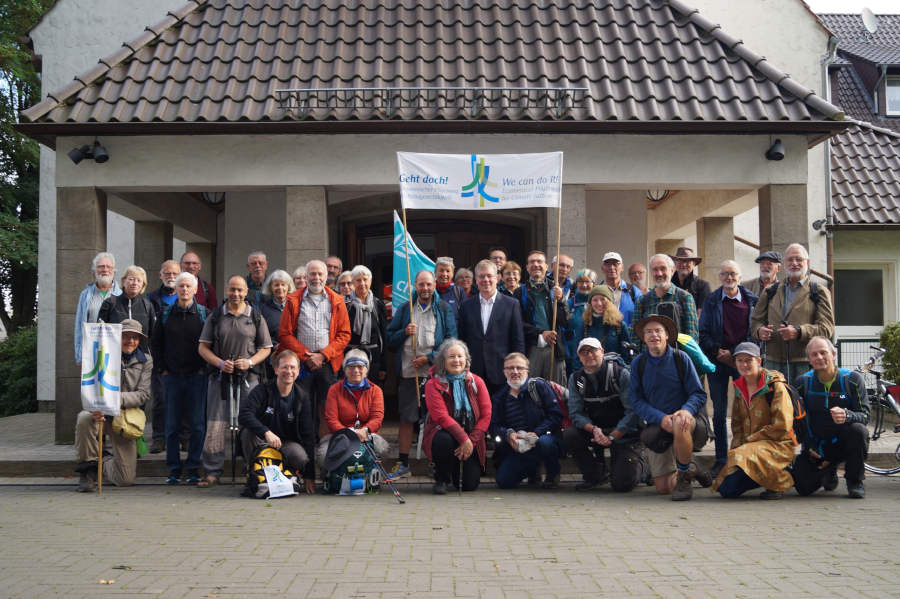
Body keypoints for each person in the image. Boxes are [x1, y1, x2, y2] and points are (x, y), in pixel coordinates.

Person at [197, 275, 273, 487]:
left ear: (246, 292)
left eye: (240, 290)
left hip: (249, 378)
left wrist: (249, 362)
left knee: (251, 422)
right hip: (220, 378)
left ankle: (254, 467)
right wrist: (220, 363)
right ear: (226, 290)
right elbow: (203, 347)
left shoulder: (255, 316)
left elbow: (266, 348)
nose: (236, 294)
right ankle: (212, 472)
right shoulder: (216, 316)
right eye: (232, 290)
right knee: (216, 424)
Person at [629, 315, 712, 500]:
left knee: (679, 421)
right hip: (658, 426)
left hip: (687, 421)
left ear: (667, 335)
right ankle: (692, 467)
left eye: (658, 331)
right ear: (643, 337)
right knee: (664, 488)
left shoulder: (680, 358)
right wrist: (660, 418)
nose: (654, 335)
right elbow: (635, 400)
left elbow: (699, 394)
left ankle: (683, 479)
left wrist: (685, 410)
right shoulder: (638, 364)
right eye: (649, 332)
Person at [385, 270, 457, 479]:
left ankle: (435, 462)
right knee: (407, 418)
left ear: (434, 285)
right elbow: (390, 339)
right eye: (421, 285)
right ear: (415, 286)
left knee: (435, 419)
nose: (425, 288)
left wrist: (430, 358)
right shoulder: (405, 308)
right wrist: (404, 333)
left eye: (428, 284)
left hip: (436, 375)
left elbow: (452, 341)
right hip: (409, 373)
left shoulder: (443, 308)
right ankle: (404, 463)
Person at [75, 319, 152, 491]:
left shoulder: (146, 360)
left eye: (135, 338)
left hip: (124, 419)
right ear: (117, 337)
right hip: (99, 413)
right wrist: (96, 406)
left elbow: (143, 395)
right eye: (126, 336)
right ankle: (87, 472)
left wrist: (112, 399)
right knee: (84, 418)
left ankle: (102, 459)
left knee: (125, 480)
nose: (130, 341)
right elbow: (91, 386)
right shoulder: (101, 353)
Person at [712, 343, 795, 499]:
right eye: (739, 360)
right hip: (749, 450)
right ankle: (761, 477)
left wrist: (749, 443)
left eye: (748, 360)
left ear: (759, 361)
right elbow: (737, 427)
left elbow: (782, 425)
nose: (744, 365)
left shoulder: (775, 386)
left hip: (777, 445)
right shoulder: (738, 388)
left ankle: (781, 478)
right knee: (725, 489)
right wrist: (736, 452)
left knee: (737, 464)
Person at [278, 259, 351, 437]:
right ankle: (305, 450)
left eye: (320, 274)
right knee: (302, 408)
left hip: (328, 363)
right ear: (306, 276)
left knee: (328, 409)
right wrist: (306, 356)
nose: (316, 278)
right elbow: (284, 334)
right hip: (302, 363)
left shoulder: (337, 300)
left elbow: (344, 335)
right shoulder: (293, 300)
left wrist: (323, 355)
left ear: (326, 277)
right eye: (312, 274)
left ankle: (325, 450)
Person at [698, 260, 759, 476]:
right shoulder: (712, 301)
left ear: (740, 277)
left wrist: (735, 354)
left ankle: (744, 456)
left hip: (743, 363)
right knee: (720, 411)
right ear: (720, 277)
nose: (729, 278)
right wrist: (718, 352)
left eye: (733, 274)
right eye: (725, 274)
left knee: (747, 410)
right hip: (717, 363)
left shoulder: (753, 301)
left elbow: (756, 333)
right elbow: (702, 333)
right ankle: (722, 458)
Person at [564, 338, 646, 492]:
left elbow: (633, 411)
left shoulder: (620, 374)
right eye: (583, 352)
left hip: (623, 432)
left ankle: (643, 466)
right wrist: (594, 429)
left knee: (622, 485)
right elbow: (576, 413)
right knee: (570, 434)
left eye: (593, 350)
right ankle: (594, 475)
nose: (589, 355)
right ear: (579, 357)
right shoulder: (575, 379)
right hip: (597, 431)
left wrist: (614, 435)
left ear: (602, 351)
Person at [792, 336, 869, 499]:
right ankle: (829, 471)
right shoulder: (801, 383)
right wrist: (809, 446)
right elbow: (797, 422)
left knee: (859, 431)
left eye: (823, 352)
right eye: (814, 354)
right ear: (809, 359)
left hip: (843, 444)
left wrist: (847, 415)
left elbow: (865, 416)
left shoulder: (853, 380)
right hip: (817, 446)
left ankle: (854, 481)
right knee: (803, 488)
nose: (819, 357)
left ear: (833, 354)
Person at [150, 272, 208, 485]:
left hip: (196, 377)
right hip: (172, 377)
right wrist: (162, 369)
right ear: (176, 289)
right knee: (172, 425)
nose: (184, 290)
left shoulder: (204, 314)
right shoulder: (165, 314)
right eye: (181, 286)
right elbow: (156, 344)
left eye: (188, 286)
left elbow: (210, 344)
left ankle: (193, 468)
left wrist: (203, 369)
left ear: (195, 290)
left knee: (197, 425)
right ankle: (173, 470)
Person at [751, 243, 835, 383]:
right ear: (784, 264)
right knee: (775, 404)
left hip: (806, 363)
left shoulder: (818, 291)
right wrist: (759, 331)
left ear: (807, 262)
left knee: (803, 404)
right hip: (773, 363)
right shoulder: (770, 291)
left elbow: (827, 329)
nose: (794, 263)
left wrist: (799, 332)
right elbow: (755, 322)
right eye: (790, 260)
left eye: (799, 259)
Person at [239, 349, 316, 494]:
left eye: (293, 367)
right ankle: (254, 475)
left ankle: (289, 474)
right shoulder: (262, 390)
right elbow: (244, 414)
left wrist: (309, 476)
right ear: (276, 370)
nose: (289, 371)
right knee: (248, 433)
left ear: (298, 371)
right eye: (284, 367)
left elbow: (308, 436)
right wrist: (266, 432)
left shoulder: (302, 397)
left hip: (285, 445)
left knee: (300, 456)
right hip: (262, 441)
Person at [423, 339, 492, 494]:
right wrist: (464, 439)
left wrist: (471, 441)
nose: (456, 360)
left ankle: (456, 470)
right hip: (445, 433)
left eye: (460, 356)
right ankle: (442, 478)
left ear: (466, 360)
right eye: (451, 357)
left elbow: (486, 416)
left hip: (470, 436)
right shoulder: (433, 384)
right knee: (443, 440)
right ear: (443, 361)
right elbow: (440, 416)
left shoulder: (477, 382)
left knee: (469, 485)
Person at [490, 352, 563, 489]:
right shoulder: (499, 397)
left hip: (543, 438)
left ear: (527, 371)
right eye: (510, 368)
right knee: (504, 481)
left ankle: (552, 473)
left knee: (545, 444)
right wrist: (508, 433)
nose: (515, 371)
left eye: (519, 368)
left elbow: (555, 416)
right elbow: (494, 426)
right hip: (518, 446)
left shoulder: (539, 386)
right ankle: (532, 470)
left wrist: (537, 432)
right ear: (504, 372)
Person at [457, 260, 525, 396]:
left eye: (489, 276)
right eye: (481, 276)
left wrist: (517, 368)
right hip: (474, 372)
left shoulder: (511, 304)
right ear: (476, 279)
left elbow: (518, 340)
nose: (485, 280)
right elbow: (462, 339)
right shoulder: (466, 306)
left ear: (497, 278)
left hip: (502, 372)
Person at [319, 349, 386, 467]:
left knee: (382, 449)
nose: (355, 370)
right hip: (340, 435)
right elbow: (331, 419)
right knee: (324, 454)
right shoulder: (334, 390)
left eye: (360, 366)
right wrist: (350, 433)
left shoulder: (375, 390)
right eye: (351, 366)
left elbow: (377, 418)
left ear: (366, 370)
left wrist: (364, 430)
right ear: (345, 369)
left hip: (366, 434)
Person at [514, 250, 568, 385]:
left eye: (539, 261)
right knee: (532, 389)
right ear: (527, 267)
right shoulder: (519, 292)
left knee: (557, 390)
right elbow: (517, 323)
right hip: (532, 348)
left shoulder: (555, 289)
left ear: (546, 266)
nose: (536, 264)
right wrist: (541, 333)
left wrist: (560, 301)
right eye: (532, 262)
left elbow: (565, 320)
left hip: (555, 348)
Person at [146, 259, 181, 453]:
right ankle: (159, 438)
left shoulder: (186, 297)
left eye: (175, 274)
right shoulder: (151, 299)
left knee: (182, 399)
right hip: (159, 356)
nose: (171, 277)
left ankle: (183, 437)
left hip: (182, 357)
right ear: (160, 275)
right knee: (160, 399)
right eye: (167, 274)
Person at [633, 253, 699, 350]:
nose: (659, 273)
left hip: (677, 360)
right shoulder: (642, 301)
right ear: (651, 273)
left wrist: (684, 362)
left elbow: (692, 338)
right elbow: (635, 338)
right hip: (649, 361)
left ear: (672, 271)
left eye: (663, 269)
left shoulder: (685, 297)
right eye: (655, 270)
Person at [567, 285, 633, 371]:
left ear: (609, 302)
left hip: (614, 374)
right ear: (590, 303)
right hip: (590, 374)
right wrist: (578, 376)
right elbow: (577, 355)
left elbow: (626, 356)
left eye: (602, 299)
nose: (599, 303)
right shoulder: (584, 325)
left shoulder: (619, 325)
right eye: (595, 300)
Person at [98, 265, 157, 355]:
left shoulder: (148, 306)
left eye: (139, 280)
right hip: (113, 357)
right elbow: (100, 332)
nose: (135, 283)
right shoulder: (110, 303)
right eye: (131, 279)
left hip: (141, 360)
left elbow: (153, 336)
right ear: (123, 281)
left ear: (143, 285)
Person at [74, 252, 121, 365]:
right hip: (91, 350)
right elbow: (79, 326)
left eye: (108, 266)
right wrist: (79, 356)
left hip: (114, 351)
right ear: (95, 270)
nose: (105, 269)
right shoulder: (85, 295)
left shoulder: (121, 295)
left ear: (114, 271)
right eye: (101, 266)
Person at [346, 265, 388, 381]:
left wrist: (383, 366)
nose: (362, 283)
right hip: (351, 358)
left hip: (373, 359)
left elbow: (383, 336)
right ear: (353, 283)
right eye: (358, 280)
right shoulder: (345, 304)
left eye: (365, 279)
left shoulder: (378, 304)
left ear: (370, 281)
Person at [259, 270, 295, 379]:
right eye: (276, 285)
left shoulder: (295, 306)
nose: (280, 288)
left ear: (288, 287)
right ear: (271, 288)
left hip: (293, 354)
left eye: (283, 285)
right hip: (273, 355)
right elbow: (261, 333)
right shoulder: (263, 309)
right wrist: (275, 345)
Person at [599, 252, 641, 326]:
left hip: (628, 336)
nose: (611, 267)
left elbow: (641, 317)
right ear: (602, 268)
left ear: (622, 267)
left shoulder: (633, 291)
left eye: (615, 264)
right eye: (608, 264)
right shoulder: (596, 291)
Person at [670, 247, 712, 315]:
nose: (683, 264)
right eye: (680, 260)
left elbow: (702, 316)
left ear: (694, 263)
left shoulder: (703, 286)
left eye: (687, 261)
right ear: (675, 262)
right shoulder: (668, 284)